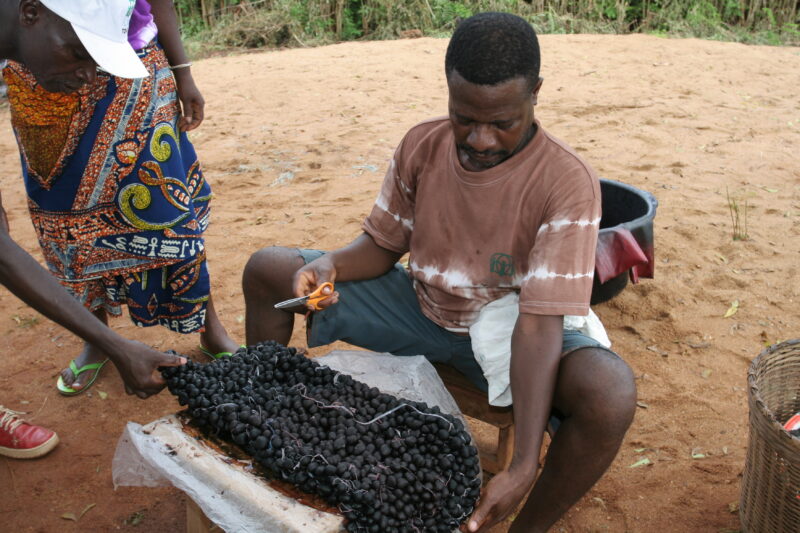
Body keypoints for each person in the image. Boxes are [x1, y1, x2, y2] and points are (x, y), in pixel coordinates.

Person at [242, 12, 636, 533]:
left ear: (535, 93)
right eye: (465, 118)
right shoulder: (422, 145)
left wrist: (522, 465)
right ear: (448, 92)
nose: (480, 139)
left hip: (508, 336)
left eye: (502, 123)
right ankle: (253, 424)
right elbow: (382, 246)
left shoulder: (566, 182)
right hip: (420, 309)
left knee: (610, 392)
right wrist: (332, 263)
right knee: (268, 269)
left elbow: (539, 324)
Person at [3, 0, 238, 397]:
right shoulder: (30, 57)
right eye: (79, 55)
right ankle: (95, 337)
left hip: (134, 69)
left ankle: (207, 326)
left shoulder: (58, 43)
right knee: (65, 220)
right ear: (29, 12)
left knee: (168, 204)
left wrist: (183, 73)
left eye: (91, 62)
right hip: (40, 93)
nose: (88, 75)